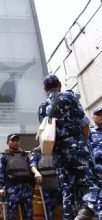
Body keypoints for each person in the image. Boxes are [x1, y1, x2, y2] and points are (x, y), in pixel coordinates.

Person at [39, 75, 100, 220]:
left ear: (44, 89)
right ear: (59, 85)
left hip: (58, 152)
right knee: (91, 181)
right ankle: (87, 210)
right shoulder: (68, 97)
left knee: (67, 188)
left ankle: (70, 216)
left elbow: (46, 131)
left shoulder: (42, 108)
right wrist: (85, 144)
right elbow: (84, 123)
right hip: (77, 145)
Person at [0, 134, 34, 220]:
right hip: (12, 188)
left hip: (26, 188)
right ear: (7, 142)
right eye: (13, 140)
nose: (15, 142)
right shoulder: (3, 155)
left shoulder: (25, 155)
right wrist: (1, 187)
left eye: (17, 140)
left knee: (28, 214)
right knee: (12, 215)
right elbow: (0, 172)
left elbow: (30, 170)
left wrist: (31, 186)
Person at [30, 146, 62, 220]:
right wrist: (36, 173)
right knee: (48, 212)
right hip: (46, 186)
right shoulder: (37, 151)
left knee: (67, 211)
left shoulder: (59, 148)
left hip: (61, 185)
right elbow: (33, 165)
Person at [90, 107, 102, 219]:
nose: (101, 116)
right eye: (98, 114)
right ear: (93, 117)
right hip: (97, 176)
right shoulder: (88, 133)